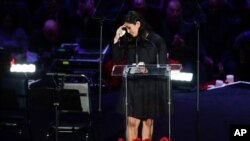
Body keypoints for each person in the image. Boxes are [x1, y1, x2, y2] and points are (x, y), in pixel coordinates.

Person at [112, 11, 168, 141]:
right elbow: (116, 59)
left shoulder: (157, 41)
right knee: (131, 123)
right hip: (132, 86)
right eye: (125, 28)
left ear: (138, 24)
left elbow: (163, 68)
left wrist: (147, 69)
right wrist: (116, 38)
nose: (128, 31)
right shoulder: (128, 40)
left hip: (150, 86)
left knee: (147, 122)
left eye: (129, 27)